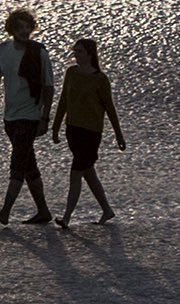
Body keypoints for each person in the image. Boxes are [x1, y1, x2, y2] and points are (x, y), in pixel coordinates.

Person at [0, 8, 58, 225]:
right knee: (29, 164)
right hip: (9, 117)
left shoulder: (39, 53)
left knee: (18, 164)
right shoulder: (2, 50)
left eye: (27, 27)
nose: (24, 31)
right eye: (19, 27)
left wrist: (45, 118)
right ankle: (43, 211)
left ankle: (5, 212)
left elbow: (49, 87)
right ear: (11, 29)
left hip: (30, 116)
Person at [53, 34, 128, 227]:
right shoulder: (71, 73)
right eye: (74, 51)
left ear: (89, 54)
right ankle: (107, 210)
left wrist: (119, 134)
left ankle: (67, 217)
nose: (75, 55)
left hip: (91, 132)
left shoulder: (100, 79)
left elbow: (110, 109)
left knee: (76, 172)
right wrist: (55, 127)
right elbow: (63, 101)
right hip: (73, 130)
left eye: (79, 52)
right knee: (88, 172)